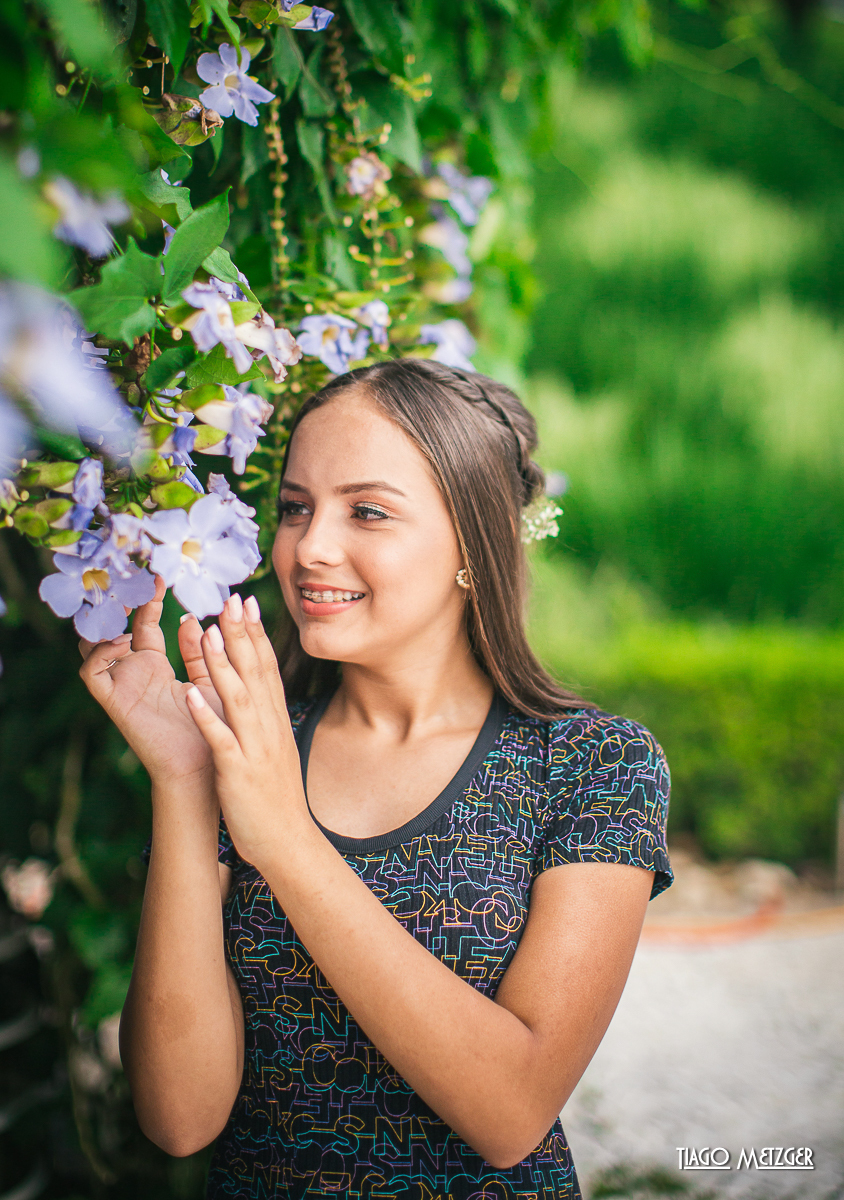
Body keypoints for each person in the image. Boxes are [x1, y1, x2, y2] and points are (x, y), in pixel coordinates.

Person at [79, 358, 672, 1200]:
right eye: (294, 507)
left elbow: (510, 1113)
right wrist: (184, 777)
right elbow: (180, 1118)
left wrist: (285, 838)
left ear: (475, 543)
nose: (309, 548)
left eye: (367, 511)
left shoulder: (593, 764)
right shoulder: (245, 745)